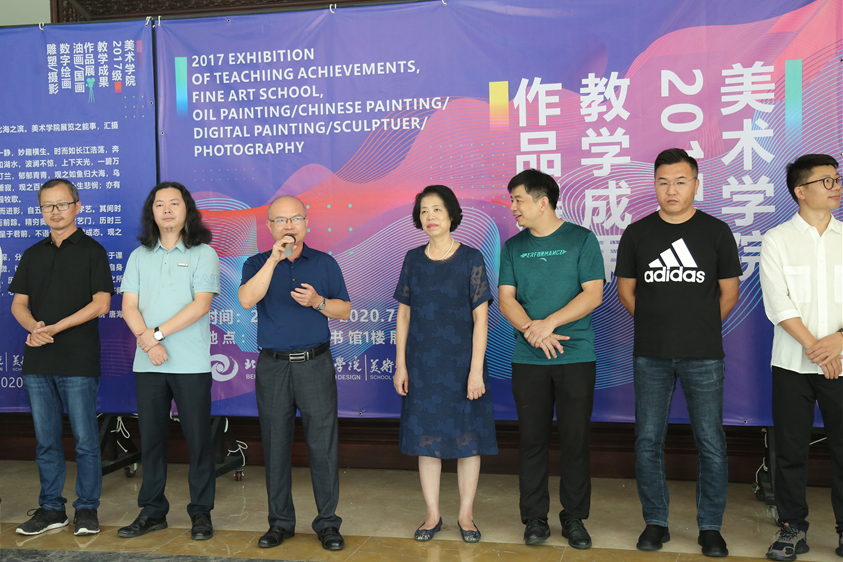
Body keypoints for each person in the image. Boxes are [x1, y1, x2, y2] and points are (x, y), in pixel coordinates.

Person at [615, 148, 741, 557]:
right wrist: (658, 325)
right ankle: (656, 522)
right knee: (648, 440)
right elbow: (626, 291)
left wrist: (696, 327)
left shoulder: (716, 232)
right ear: (654, 185)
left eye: (680, 181)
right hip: (650, 353)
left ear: (696, 185)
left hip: (704, 354)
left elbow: (729, 293)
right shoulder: (637, 233)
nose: (672, 190)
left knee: (711, 441)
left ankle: (710, 527)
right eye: (663, 182)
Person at [498, 169, 604, 548]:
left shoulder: (581, 239)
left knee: (575, 440)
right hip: (528, 359)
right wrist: (533, 331)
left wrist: (549, 324)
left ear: (543, 202)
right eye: (512, 200)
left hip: (576, 356)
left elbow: (593, 294)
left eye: (519, 200)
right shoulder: (513, 246)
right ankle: (534, 518)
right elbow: (506, 298)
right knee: (532, 440)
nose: (513, 207)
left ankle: (574, 517)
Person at [238, 196, 350, 551]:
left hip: (315, 363)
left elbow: (345, 310)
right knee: (275, 445)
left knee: (323, 445)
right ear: (270, 226)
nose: (289, 226)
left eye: (296, 219)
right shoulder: (257, 263)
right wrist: (274, 259)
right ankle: (280, 523)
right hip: (273, 366)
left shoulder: (324, 263)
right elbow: (246, 299)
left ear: (306, 223)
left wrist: (318, 302)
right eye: (281, 220)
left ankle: (328, 524)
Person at [392, 185, 498, 543]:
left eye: (437, 209)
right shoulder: (412, 259)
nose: (430, 217)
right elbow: (403, 315)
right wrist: (401, 365)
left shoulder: (471, 258)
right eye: (424, 211)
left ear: (452, 214)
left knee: (468, 440)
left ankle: (466, 515)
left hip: (463, 365)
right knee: (427, 440)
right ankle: (432, 515)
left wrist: (475, 370)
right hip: (422, 365)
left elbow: (481, 319)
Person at [10, 179, 113, 537]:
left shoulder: (93, 251)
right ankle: (52, 508)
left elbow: (102, 304)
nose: (55, 211)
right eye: (47, 206)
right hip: (38, 360)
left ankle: (86, 509)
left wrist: (56, 327)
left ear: (77, 206)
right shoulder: (33, 254)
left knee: (85, 441)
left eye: (62, 204)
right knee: (46, 441)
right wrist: (35, 328)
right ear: (41, 210)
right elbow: (18, 304)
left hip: (78, 359)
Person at [118, 182, 220, 541]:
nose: (166, 210)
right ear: (152, 212)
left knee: (198, 440)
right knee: (152, 440)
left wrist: (155, 335)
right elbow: (128, 305)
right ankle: (152, 511)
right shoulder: (139, 255)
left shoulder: (203, 253)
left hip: (191, 364)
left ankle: (201, 513)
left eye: (174, 203)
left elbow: (200, 305)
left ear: (186, 209)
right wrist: (149, 344)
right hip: (149, 364)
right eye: (159, 204)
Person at [759, 154, 843, 561]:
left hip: (842, 363)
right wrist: (817, 348)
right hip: (792, 364)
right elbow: (778, 303)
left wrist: (839, 341)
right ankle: (792, 527)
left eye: (837, 179)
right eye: (826, 181)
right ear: (801, 191)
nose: (836, 187)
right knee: (791, 450)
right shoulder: (777, 240)